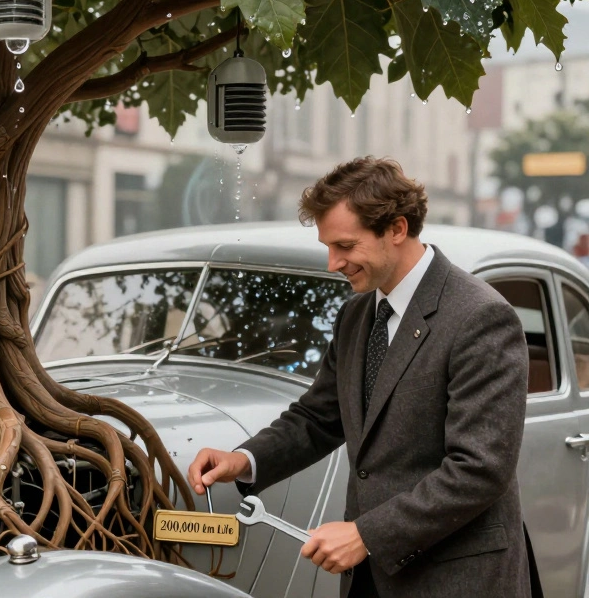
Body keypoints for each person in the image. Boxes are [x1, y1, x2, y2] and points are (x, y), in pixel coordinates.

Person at [187, 157, 531, 598]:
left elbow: (479, 469)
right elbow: (318, 417)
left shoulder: (481, 316)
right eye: (328, 247)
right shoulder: (356, 313)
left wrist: (366, 535)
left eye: (345, 246)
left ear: (397, 229)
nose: (334, 263)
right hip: (369, 579)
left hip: (456, 580)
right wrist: (244, 459)